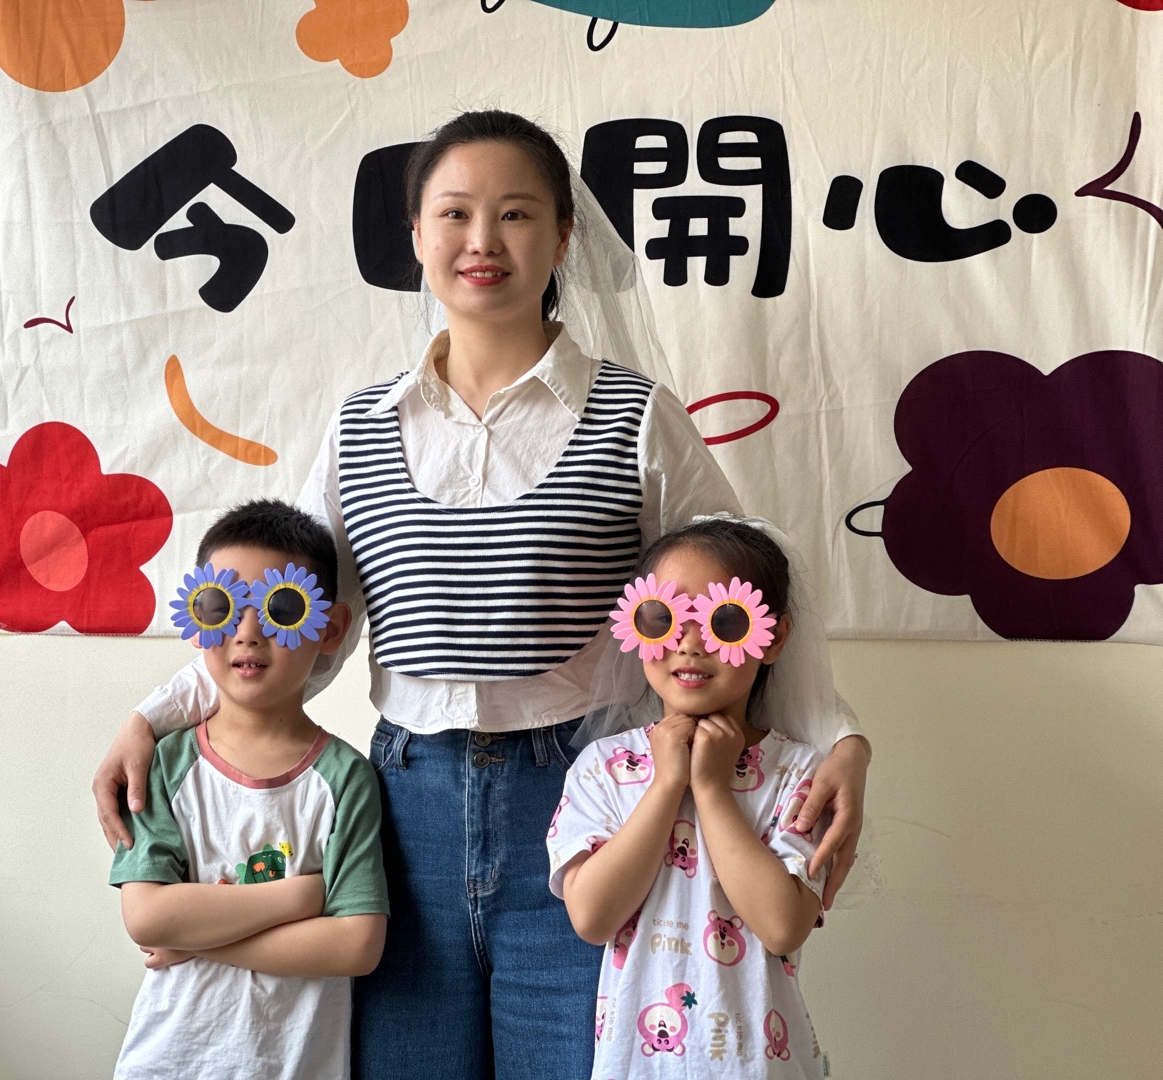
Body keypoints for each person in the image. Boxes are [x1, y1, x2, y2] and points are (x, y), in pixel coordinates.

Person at [93, 110, 870, 1080]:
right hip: (399, 807)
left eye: (516, 213)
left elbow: (737, 598)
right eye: (455, 213)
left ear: (565, 236)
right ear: (416, 235)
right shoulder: (360, 426)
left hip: (591, 803)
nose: (483, 240)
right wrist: (155, 715)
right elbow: (291, 618)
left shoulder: (634, 417)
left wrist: (843, 741)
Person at [108, 500, 388, 1080]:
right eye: (222, 607)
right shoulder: (166, 765)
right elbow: (148, 916)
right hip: (169, 1063)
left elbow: (356, 946)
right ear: (196, 618)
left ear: (331, 629)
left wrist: (197, 940)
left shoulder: (346, 779)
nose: (247, 632)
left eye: (282, 608)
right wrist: (304, 897)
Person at [551, 517, 831, 1077]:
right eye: (664, 617)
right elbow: (592, 918)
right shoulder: (603, 768)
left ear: (773, 638)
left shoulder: (800, 773)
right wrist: (665, 784)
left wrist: (710, 788)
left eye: (724, 621)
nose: (689, 641)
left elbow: (782, 925)